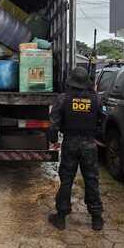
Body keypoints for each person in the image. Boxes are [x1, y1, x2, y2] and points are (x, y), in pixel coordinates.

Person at [47, 66, 104, 231]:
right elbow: (102, 121)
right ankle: (97, 218)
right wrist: (97, 138)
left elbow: (53, 125)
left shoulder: (63, 99)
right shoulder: (96, 99)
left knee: (66, 180)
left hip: (70, 143)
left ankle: (61, 217)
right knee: (91, 180)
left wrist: (53, 141)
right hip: (89, 145)